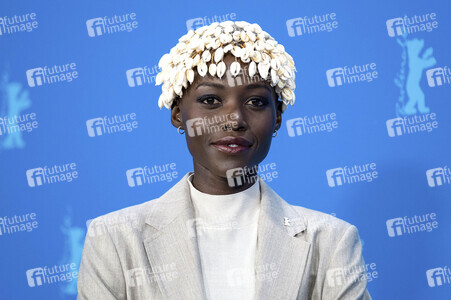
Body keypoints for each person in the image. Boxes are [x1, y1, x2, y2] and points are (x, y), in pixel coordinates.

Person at [77, 20, 372, 300]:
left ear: (278, 117)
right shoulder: (114, 239)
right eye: (210, 101)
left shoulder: (332, 241)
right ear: (178, 114)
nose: (234, 120)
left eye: (256, 101)